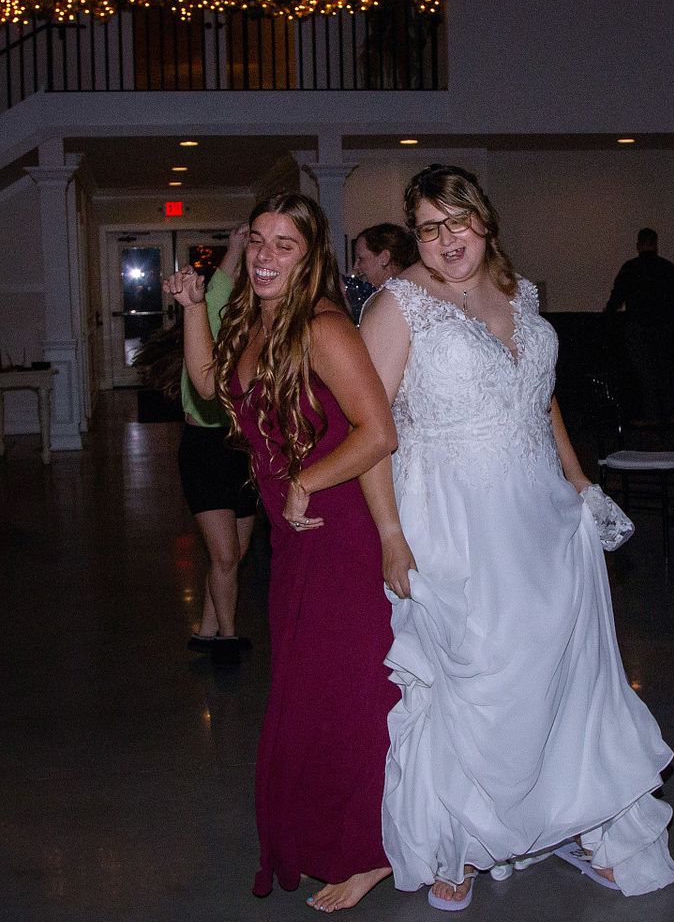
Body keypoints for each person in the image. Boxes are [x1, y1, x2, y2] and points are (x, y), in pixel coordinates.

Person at [358, 164, 674, 911]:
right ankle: (460, 842)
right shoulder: (397, 306)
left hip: (541, 515)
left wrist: (578, 483)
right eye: (430, 228)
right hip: (453, 519)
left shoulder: (521, 294)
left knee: (560, 678)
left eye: (459, 222)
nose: (446, 242)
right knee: (474, 680)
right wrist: (390, 535)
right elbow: (371, 435)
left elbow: (540, 401)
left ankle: (575, 820)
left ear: (486, 220)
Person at [166, 193, 400, 913]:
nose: (266, 256)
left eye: (284, 245)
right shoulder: (256, 320)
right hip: (293, 538)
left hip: (338, 532)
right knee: (308, 695)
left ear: (311, 257)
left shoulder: (323, 326)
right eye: (259, 241)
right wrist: (192, 308)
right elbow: (211, 391)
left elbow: (378, 431)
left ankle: (370, 852)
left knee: (350, 696)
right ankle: (334, 834)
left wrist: (304, 480)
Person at [175, 225, 258, 665]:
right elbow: (219, 277)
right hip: (204, 449)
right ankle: (227, 638)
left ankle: (206, 630)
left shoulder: (249, 320)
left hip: (242, 448)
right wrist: (236, 243)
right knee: (224, 555)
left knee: (235, 555)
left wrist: (241, 242)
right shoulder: (202, 317)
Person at [605, 227, 674, 422]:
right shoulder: (667, 268)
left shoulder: (630, 268)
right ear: (656, 245)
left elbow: (617, 298)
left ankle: (650, 420)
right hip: (664, 328)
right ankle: (670, 419)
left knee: (644, 376)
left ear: (638, 245)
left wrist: (607, 316)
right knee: (666, 374)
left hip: (638, 329)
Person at [344, 222, 418, 324]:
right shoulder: (412, 289)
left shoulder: (391, 300)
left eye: (361, 258)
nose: (355, 266)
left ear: (384, 258)